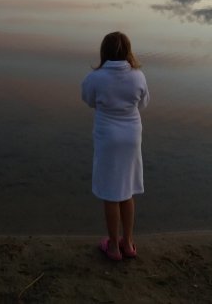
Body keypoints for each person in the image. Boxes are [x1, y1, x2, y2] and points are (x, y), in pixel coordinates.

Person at [82, 31, 149, 261]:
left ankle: (113, 247)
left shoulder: (96, 77)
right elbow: (144, 102)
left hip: (107, 136)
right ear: (128, 52)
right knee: (127, 190)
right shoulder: (138, 76)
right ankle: (128, 244)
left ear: (104, 51)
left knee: (111, 192)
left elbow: (88, 99)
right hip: (131, 135)